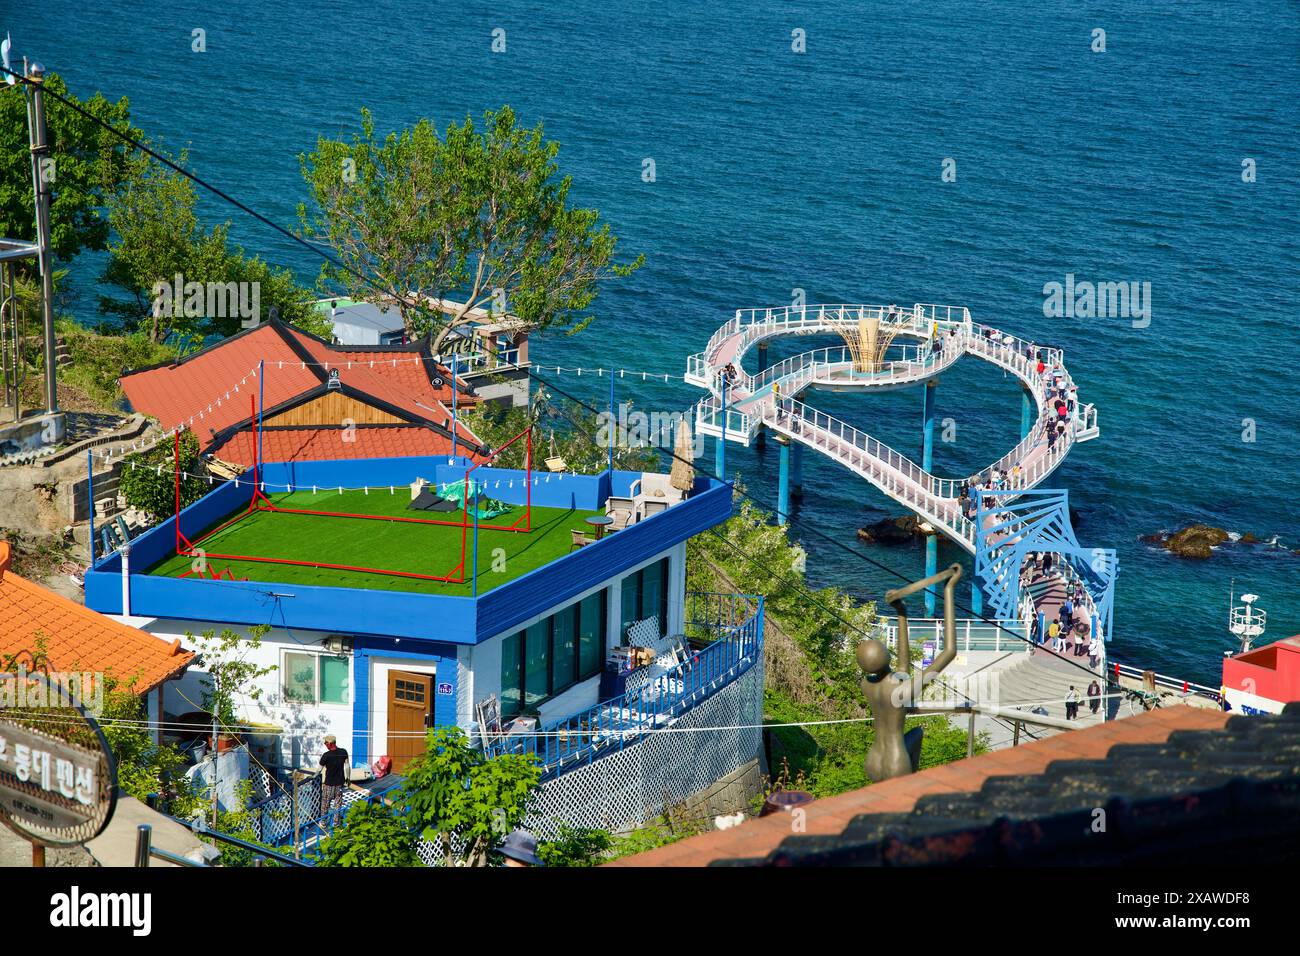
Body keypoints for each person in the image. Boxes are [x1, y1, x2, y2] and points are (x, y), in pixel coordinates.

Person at [319, 734, 350, 828]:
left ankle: (323, 822)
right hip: (340, 784)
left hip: (328, 784)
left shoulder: (326, 755)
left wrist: (313, 776)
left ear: (330, 743)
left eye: (325, 743)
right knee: (338, 804)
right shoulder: (343, 752)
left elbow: (319, 770)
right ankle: (336, 823)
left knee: (325, 804)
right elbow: (347, 766)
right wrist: (348, 778)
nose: (325, 744)